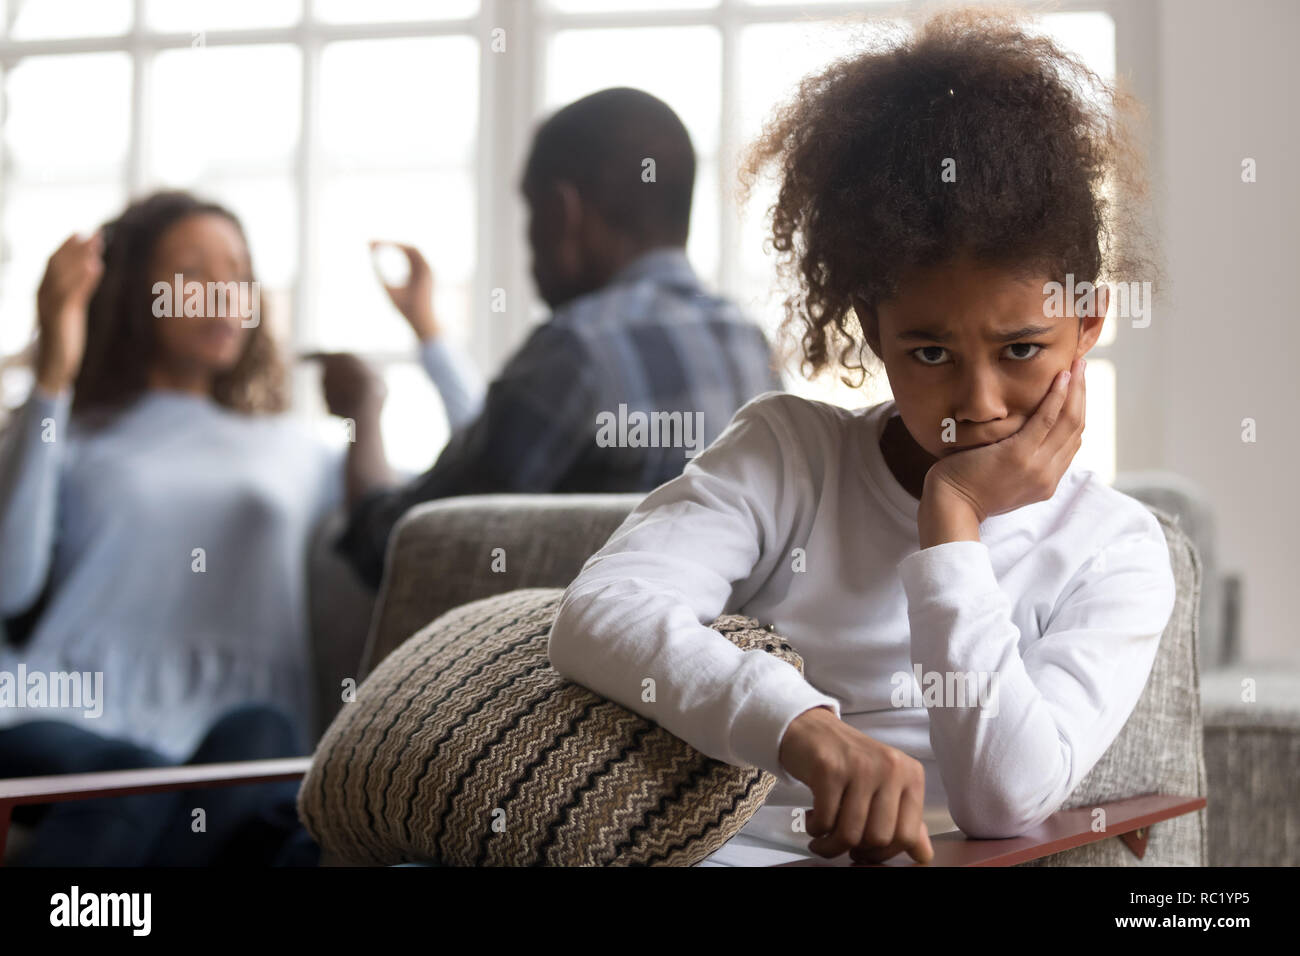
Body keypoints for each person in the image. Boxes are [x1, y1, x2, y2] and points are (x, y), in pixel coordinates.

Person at [547, 7, 1176, 867]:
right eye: (929, 351)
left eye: (1021, 349)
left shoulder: (1118, 552)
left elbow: (1006, 799)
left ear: (1087, 323)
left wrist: (950, 520)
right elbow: (600, 612)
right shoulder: (788, 456)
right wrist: (799, 723)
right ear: (873, 331)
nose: (978, 401)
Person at [0, 191, 383, 865]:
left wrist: (374, 408)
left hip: (231, 727)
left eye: (236, 275)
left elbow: (434, 523)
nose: (220, 293)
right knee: (135, 780)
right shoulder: (71, 429)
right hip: (62, 710)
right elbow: (8, 586)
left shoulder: (293, 449)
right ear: (132, 293)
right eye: (192, 272)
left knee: (264, 738)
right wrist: (54, 372)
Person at [332, 87, 784, 589]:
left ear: (561, 212)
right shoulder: (751, 347)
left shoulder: (574, 351)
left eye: (530, 210)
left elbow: (403, 547)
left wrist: (363, 413)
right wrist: (429, 331)